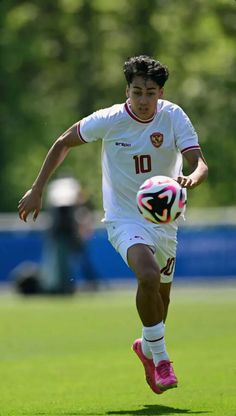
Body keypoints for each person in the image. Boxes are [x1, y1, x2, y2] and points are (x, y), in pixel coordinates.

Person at [18, 55, 208, 394]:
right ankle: (162, 360)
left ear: (160, 93)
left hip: (165, 220)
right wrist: (38, 188)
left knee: (160, 300)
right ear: (127, 91)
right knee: (147, 275)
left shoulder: (174, 116)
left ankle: (147, 348)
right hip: (123, 217)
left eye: (150, 93)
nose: (143, 100)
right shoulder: (109, 119)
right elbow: (63, 142)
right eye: (137, 92)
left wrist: (193, 177)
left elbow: (199, 163)